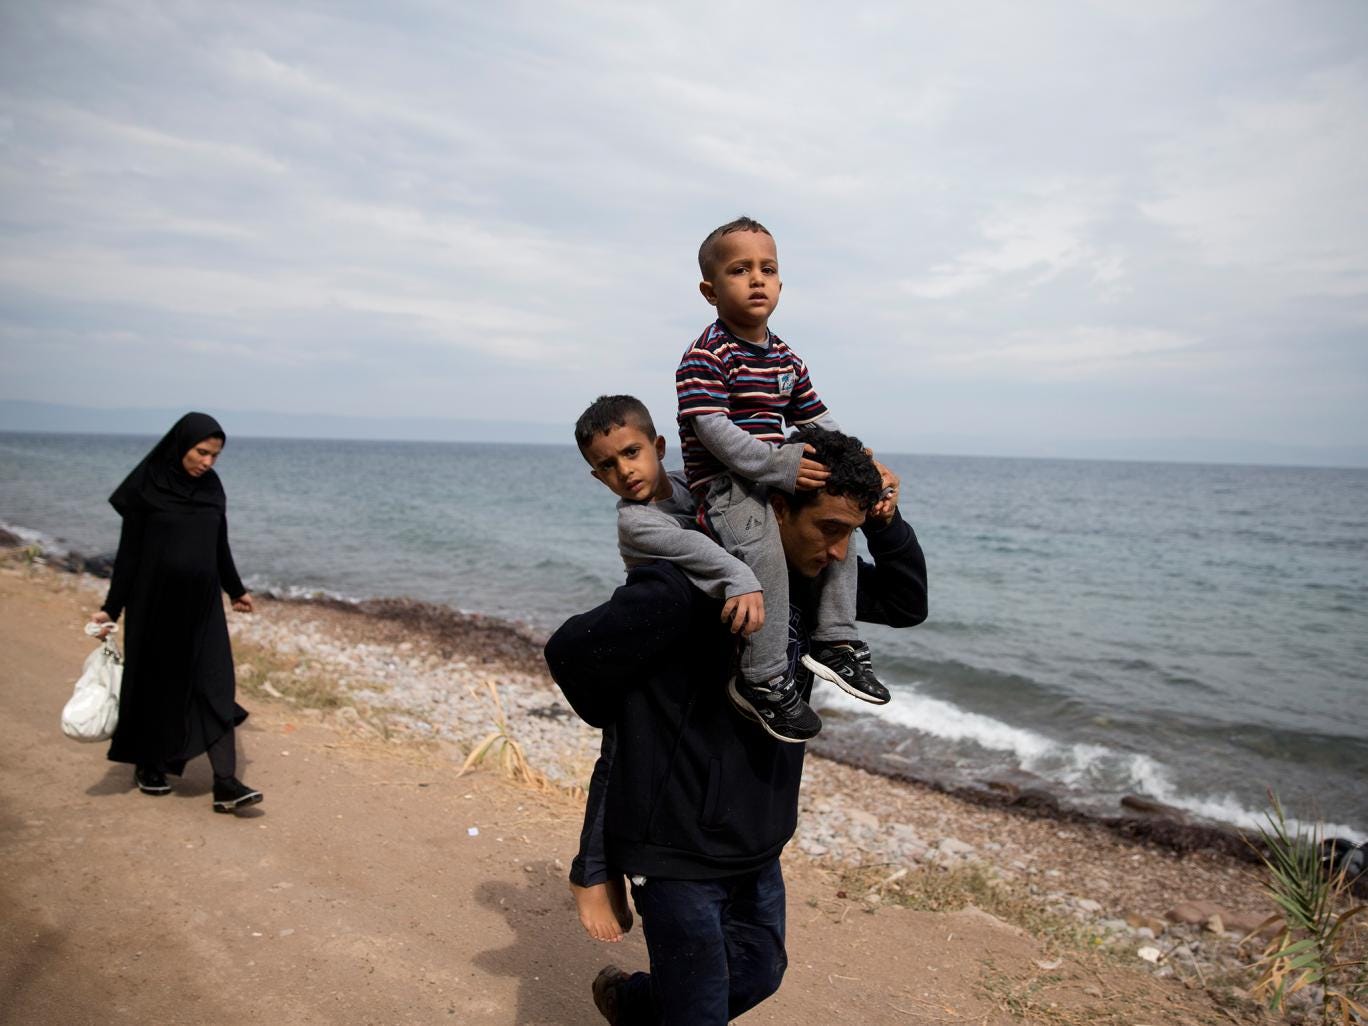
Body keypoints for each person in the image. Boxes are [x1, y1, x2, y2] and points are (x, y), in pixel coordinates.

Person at [545, 427, 928, 1025]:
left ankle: (632, 1003)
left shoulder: (819, 576)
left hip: (757, 832)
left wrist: (882, 520)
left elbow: (907, 602)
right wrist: (639, 724)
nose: (837, 552)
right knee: (698, 1009)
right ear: (776, 505)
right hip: (675, 840)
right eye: (828, 529)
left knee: (757, 973)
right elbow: (571, 652)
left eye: (847, 535)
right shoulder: (689, 585)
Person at [676, 215, 895, 744]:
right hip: (727, 488)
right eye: (739, 270)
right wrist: (779, 467)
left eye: (767, 269)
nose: (756, 280)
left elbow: (818, 421)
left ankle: (836, 643)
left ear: (779, 284)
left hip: (775, 475)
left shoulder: (785, 358)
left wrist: (865, 465)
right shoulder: (706, 356)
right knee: (768, 554)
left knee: (841, 529)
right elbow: (714, 432)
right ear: (710, 290)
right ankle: (761, 677)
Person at [569, 394, 766, 943]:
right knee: (618, 754)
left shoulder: (683, 485)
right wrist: (746, 579)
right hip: (646, 636)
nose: (624, 470)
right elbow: (708, 556)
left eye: (631, 452)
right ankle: (590, 870)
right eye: (607, 465)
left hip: (685, 642)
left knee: (649, 758)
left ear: (657, 446)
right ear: (595, 475)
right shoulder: (637, 522)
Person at [90, 412, 263, 814]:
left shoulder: (212, 488)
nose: (208, 463)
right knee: (156, 686)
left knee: (217, 686)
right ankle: (150, 765)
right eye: (202, 452)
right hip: (154, 604)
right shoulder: (146, 487)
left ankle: (226, 783)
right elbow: (129, 556)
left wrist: (235, 589)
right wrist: (110, 608)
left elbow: (219, 544)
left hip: (202, 606)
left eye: (215, 456)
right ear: (180, 445)